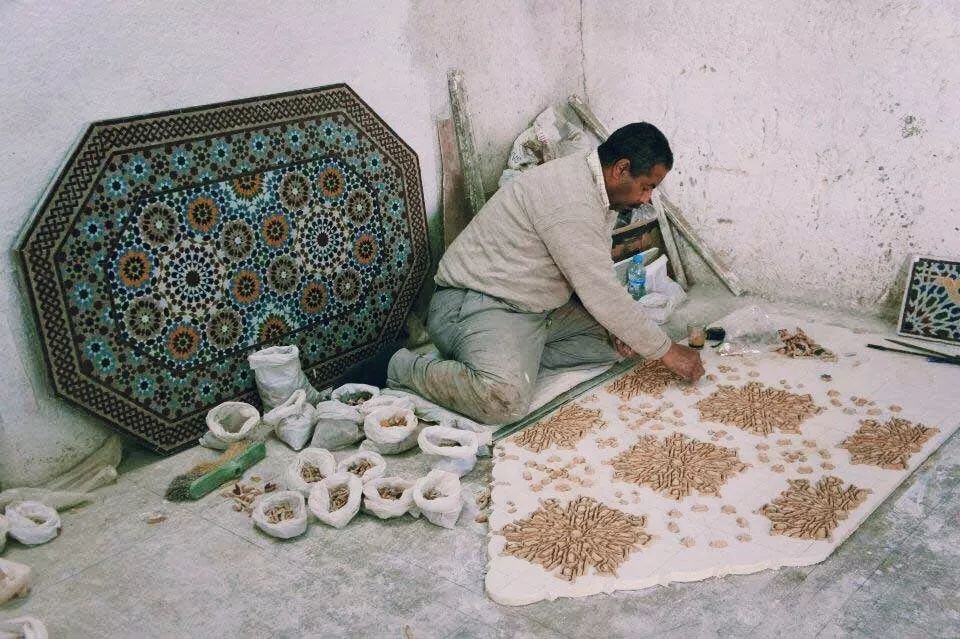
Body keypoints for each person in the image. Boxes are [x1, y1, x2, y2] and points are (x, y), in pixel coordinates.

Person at [387, 122, 705, 424]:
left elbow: (595, 278)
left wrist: (630, 332)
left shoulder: (593, 184)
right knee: (505, 400)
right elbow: (600, 290)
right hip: (476, 303)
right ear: (621, 168)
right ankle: (404, 367)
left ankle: (510, 356)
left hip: (535, 308)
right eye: (646, 186)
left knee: (621, 342)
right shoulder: (572, 200)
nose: (646, 198)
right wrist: (668, 351)